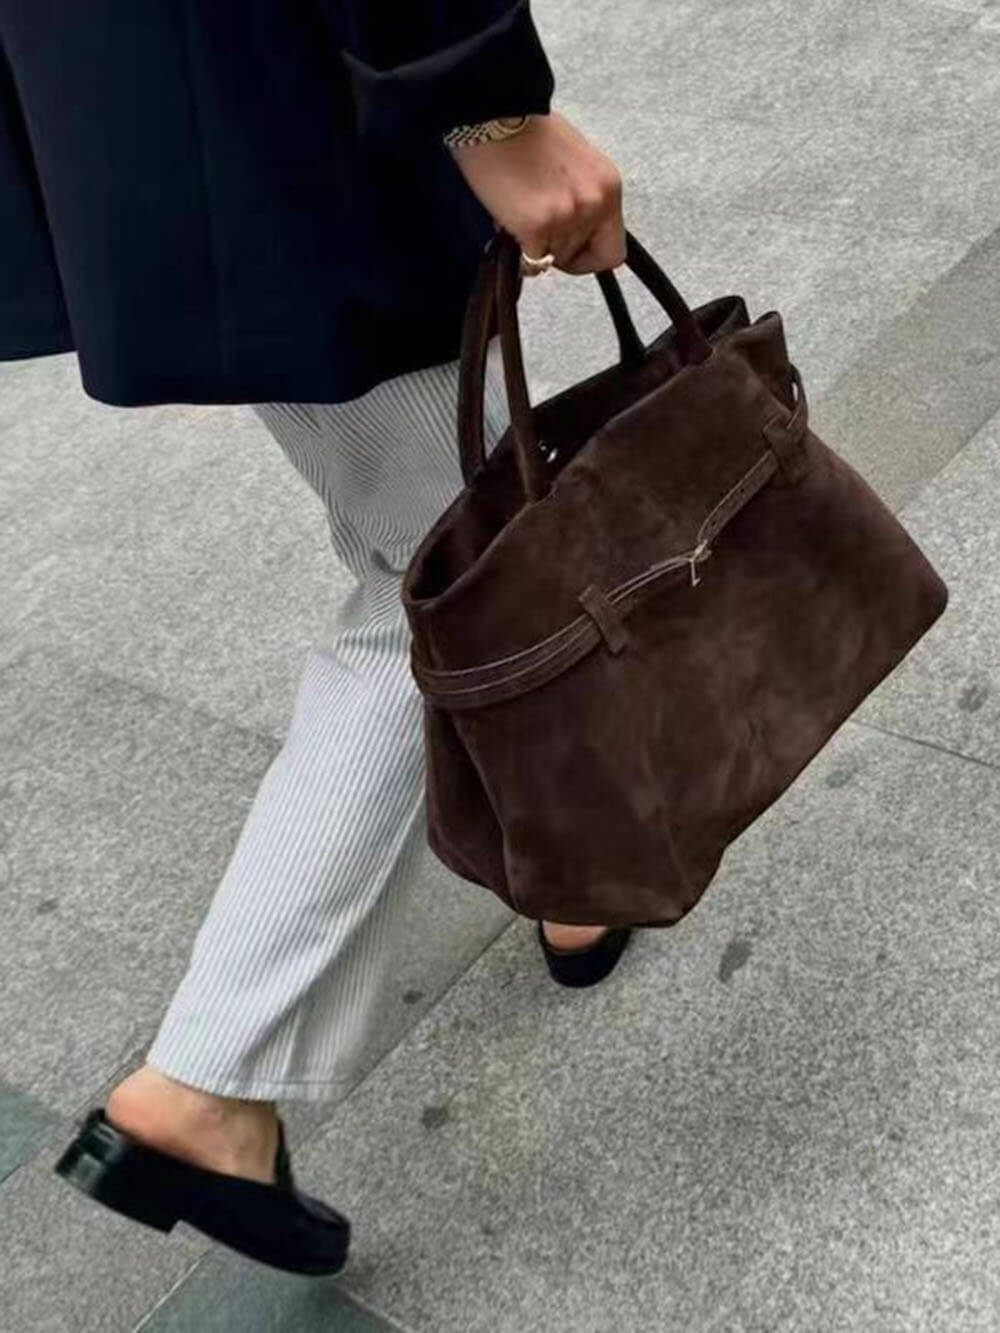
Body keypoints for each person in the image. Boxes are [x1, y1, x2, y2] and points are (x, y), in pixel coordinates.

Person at [1, 0, 628, 1274]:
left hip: (117, 82)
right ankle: (214, 1079)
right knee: (458, 567)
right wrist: (489, 105)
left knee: (451, 524)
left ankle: (571, 862)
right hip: (269, 86)